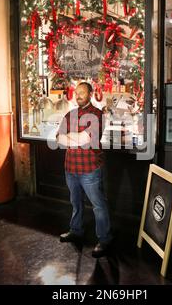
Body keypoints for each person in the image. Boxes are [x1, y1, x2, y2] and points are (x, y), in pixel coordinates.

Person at [56, 82, 113, 258]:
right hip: (71, 168)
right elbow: (58, 138)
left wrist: (71, 138)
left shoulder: (97, 115)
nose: (78, 95)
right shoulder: (70, 114)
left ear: (90, 94)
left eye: (82, 92)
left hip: (90, 169)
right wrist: (75, 139)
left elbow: (84, 140)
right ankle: (76, 230)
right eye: (76, 92)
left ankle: (104, 239)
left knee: (98, 205)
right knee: (76, 203)